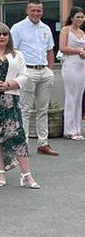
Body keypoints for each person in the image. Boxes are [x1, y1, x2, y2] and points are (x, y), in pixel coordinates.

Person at [10, 1, 57, 156]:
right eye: (33, 10)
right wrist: (18, 74)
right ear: (27, 10)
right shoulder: (17, 28)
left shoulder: (45, 28)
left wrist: (50, 70)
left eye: (39, 10)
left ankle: (43, 143)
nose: (36, 13)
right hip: (27, 71)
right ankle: (23, 145)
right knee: (24, 109)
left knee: (43, 109)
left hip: (43, 70)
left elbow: (50, 50)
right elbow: (13, 52)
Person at [0, 23, 40, 188]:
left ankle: (26, 175)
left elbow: (24, 75)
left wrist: (10, 84)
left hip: (10, 101)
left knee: (18, 138)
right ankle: (1, 173)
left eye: (5, 34)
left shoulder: (17, 55)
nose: (2, 37)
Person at [59, 7, 85, 140]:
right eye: (77, 17)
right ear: (71, 18)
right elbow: (63, 48)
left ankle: (77, 128)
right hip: (70, 64)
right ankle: (69, 129)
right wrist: (78, 51)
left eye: (82, 17)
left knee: (79, 97)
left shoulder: (82, 32)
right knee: (71, 96)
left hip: (82, 64)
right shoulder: (66, 30)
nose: (80, 20)